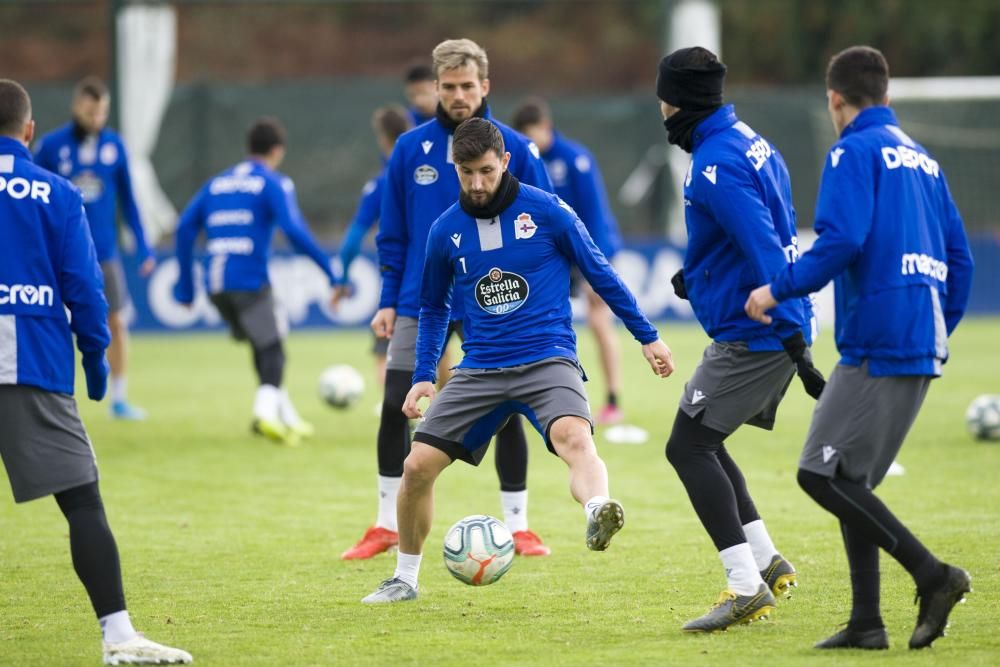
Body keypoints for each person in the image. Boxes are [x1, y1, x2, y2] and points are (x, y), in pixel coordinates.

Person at [361, 118, 675, 603]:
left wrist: (647, 336)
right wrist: (425, 376)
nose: (478, 184)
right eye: (466, 173)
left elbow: (601, 273)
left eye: (486, 170)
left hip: (547, 359)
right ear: (455, 169)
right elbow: (433, 307)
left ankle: (597, 508)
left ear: (506, 161)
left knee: (575, 436)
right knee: (417, 466)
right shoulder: (446, 230)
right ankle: (404, 578)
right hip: (481, 367)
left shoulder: (547, 211)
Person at [745, 45, 975, 650]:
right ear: (888, 97)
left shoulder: (852, 149)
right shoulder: (925, 161)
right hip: (918, 337)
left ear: (835, 101)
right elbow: (962, 260)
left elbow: (841, 239)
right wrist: (935, 327)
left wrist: (778, 288)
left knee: (817, 474)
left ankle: (934, 575)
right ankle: (867, 622)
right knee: (850, 478)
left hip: (877, 337)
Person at [0, 79, 191, 665]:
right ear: (30, 132)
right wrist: (94, 358)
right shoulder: (55, 192)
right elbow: (85, 289)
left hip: (29, 357)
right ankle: (118, 636)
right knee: (82, 501)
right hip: (31, 358)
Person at [343, 38, 556, 561]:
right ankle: (384, 523)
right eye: (449, 86)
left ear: (485, 86)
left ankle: (520, 525)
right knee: (398, 403)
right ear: (433, 88)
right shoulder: (409, 150)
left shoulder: (516, 150)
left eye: (468, 86)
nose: (459, 95)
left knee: (508, 408)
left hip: (498, 299)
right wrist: (390, 299)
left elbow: (551, 226)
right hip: (422, 298)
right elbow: (391, 234)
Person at [655, 47, 826, 632]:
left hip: (756, 334)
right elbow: (776, 224)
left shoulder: (715, 164)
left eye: (665, 97)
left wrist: (793, 340)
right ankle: (765, 559)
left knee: (688, 447)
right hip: (768, 324)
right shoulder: (748, 138)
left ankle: (745, 587)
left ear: (682, 100)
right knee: (708, 440)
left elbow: (761, 247)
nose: (661, 109)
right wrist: (697, 275)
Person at [173, 117, 337, 447]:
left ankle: (286, 416)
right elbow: (293, 230)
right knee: (274, 349)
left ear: (249, 149)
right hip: (249, 280)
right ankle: (264, 415)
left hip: (217, 285)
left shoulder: (216, 183)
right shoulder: (273, 182)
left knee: (264, 344)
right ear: (277, 151)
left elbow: (183, 229)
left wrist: (186, 287)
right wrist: (330, 272)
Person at [34, 76, 154, 421]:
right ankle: (50, 392)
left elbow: (130, 201)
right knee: (50, 319)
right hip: (58, 252)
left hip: (103, 252)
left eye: (102, 112)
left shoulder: (116, 147)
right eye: (91, 111)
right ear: (77, 108)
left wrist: (144, 246)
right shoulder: (51, 146)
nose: (97, 118)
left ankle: (119, 398)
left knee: (115, 321)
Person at [511, 98, 626, 424]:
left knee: (599, 319)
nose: (530, 143)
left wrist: (594, 272)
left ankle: (613, 399)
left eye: (533, 135)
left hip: (590, 246)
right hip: (552, 252)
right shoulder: (525, 161)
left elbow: (595, 213)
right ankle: (533, 398)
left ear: (546, 128)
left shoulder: (576, 159)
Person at [334, 105, 413, 392]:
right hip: (450, 272)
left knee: (386, 354)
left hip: (403, 282)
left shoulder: (382, 183)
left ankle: (397, 415)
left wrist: (342, 278)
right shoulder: (440, 173)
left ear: (382, 139)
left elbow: (352, 240)